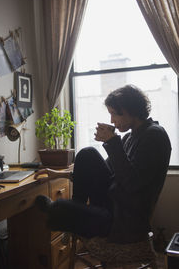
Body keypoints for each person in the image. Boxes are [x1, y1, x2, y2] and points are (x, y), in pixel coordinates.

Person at [34, 84, 171, 244]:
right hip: (112, 204)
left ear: (129, 110)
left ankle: (64, 212)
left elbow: (134, 185)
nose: (112, 120)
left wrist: (113, 143)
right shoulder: (129, 137)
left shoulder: (154, 135)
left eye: (114, 114)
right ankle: (72, 209)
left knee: (58, 208)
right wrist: (58, 174)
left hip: (127, 220)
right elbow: (103, 172)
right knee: (87, 153)